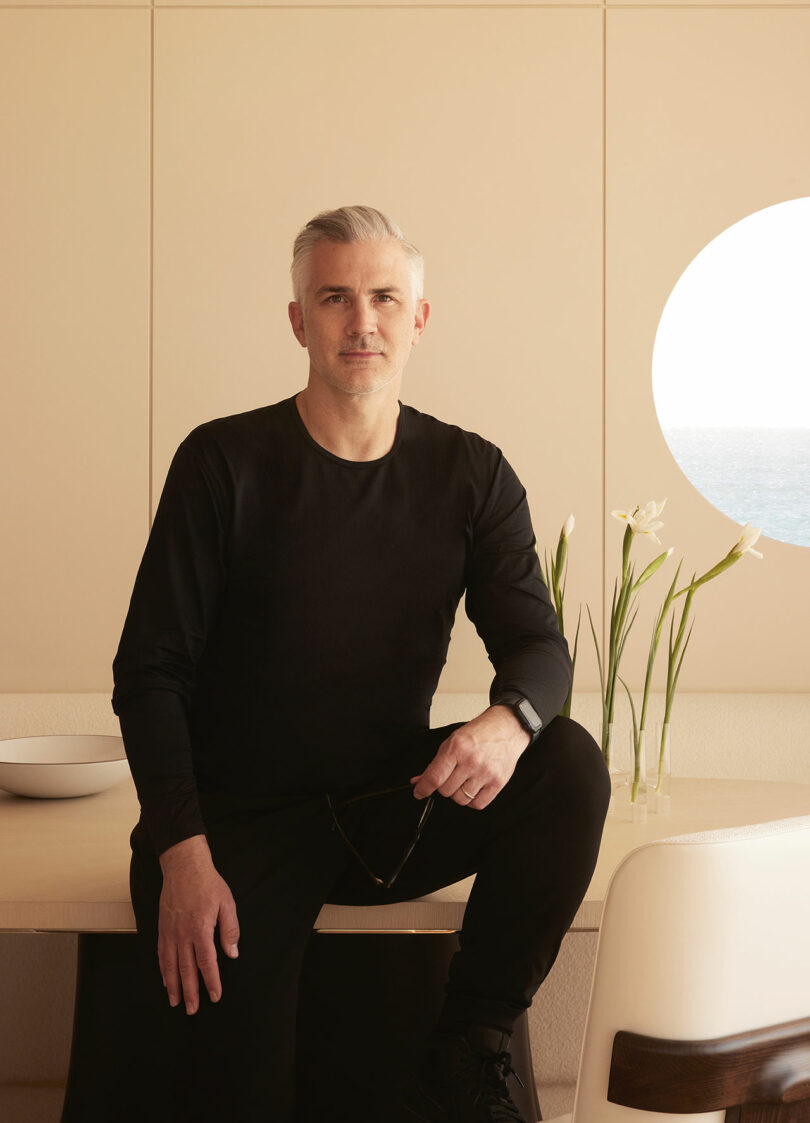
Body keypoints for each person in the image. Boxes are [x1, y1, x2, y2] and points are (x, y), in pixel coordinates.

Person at [112, 205, 611, 1123]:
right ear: (299, 320)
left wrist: (509, 721)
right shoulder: (222, 461)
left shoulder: (472, 472)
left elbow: (539, 648)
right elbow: (149, 673)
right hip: (234, 828)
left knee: (565, 758)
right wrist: (181, 854)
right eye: (335, 297)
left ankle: (475, 1037)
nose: (362, 320)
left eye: (384, 296)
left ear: (418, 318)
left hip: (387, 809)